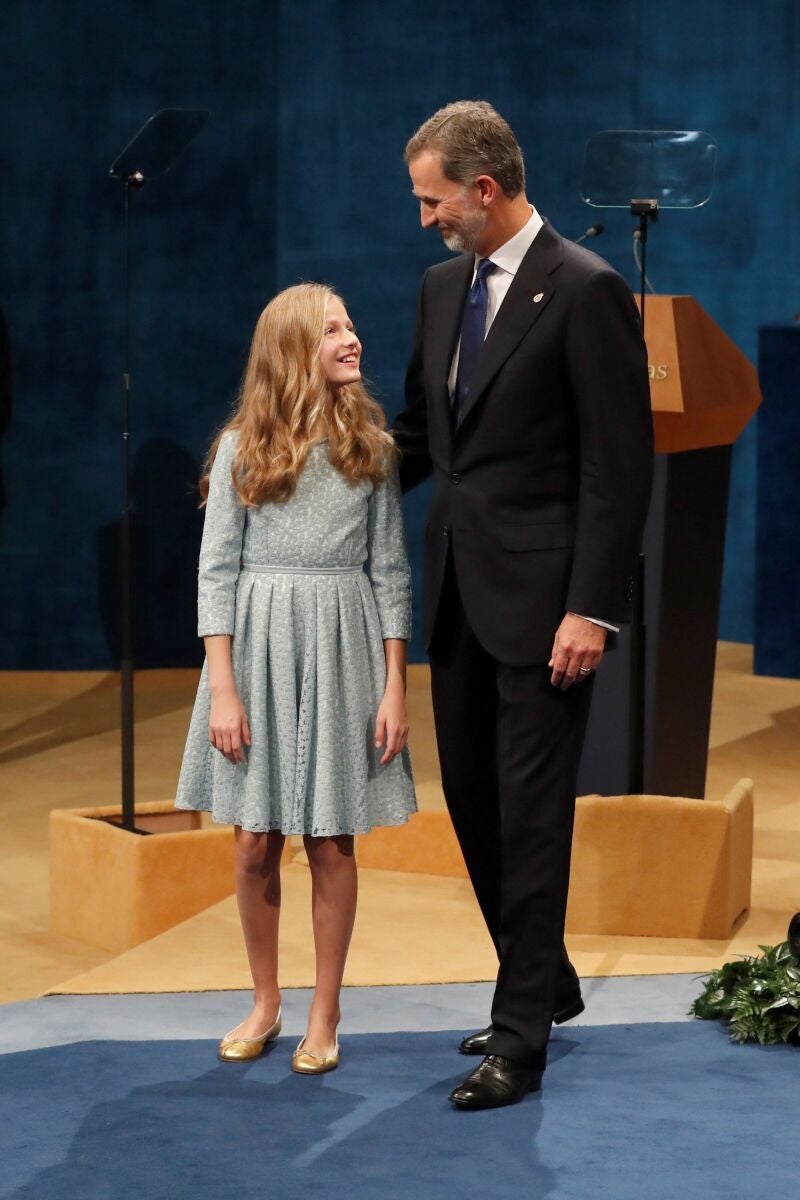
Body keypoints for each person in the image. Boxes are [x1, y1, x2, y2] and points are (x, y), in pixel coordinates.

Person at [393, 101, 653, 1109]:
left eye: (432, 200)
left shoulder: (585, 292)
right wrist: (315, 475)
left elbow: (615, 471)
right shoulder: (436, 289)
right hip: (458, 590)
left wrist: (590, 609)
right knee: (473, 805)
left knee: (532, 813)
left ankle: (520, 1038)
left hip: (548, 609)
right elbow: (423, 437)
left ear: (482, 189)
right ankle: (544, 981)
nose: (426, 220)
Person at [176, 283, 416, 1074]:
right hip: (258, 651)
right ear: (291, 351)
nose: (353, 339)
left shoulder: (371, 449)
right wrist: (225, 688)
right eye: (333, 330)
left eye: (352, 324)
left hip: (341, 645)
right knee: (252, 843)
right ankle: (266, 999)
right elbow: (216, 574)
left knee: (330, 840)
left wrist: (394, 686)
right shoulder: (243, 448)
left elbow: (390, 571)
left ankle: (325, 1010)